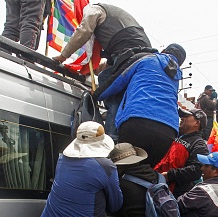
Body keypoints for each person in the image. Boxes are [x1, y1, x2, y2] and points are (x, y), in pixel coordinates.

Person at [52, 3, 152, 141]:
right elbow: (110, 63)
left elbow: (84, 31)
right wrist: (87, 69)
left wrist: (64, 55)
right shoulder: (116, 22)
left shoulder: (94, 10)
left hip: (130, 55)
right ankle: (117, 127)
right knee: (112, 82)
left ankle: (112, 136)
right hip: (143, 58)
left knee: (110, 88)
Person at [97, 44, 187, 168]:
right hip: (168, 132)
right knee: (143, 172)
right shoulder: (177, 76)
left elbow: (118, 80)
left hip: (138, 120)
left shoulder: (147, 59)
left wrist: (96, 95)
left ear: (164, 51)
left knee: (120, 168)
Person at [158, 108, 209, 198]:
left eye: (186, 116)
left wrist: (169, 175)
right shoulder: (174, 134)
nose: (182, 117)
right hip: (158, 185)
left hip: (174, 194)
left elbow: (196, 170)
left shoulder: (199, 144)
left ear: (197, 123)